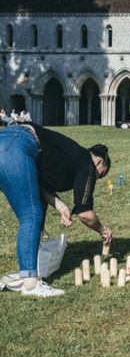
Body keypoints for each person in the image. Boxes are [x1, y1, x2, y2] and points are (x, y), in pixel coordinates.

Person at [0, 123, 113, 297]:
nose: (96, 178)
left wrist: (60, 206)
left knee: (33, 210)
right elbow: (84, 213)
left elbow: (36, 182)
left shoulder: (70, 155)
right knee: (31, 215)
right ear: (99, 161)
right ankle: (30, 283)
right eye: (100, 174)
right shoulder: (87, 164)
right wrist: (103, 230)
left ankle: (27, 270)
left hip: (7, 138)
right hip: (18, 143)